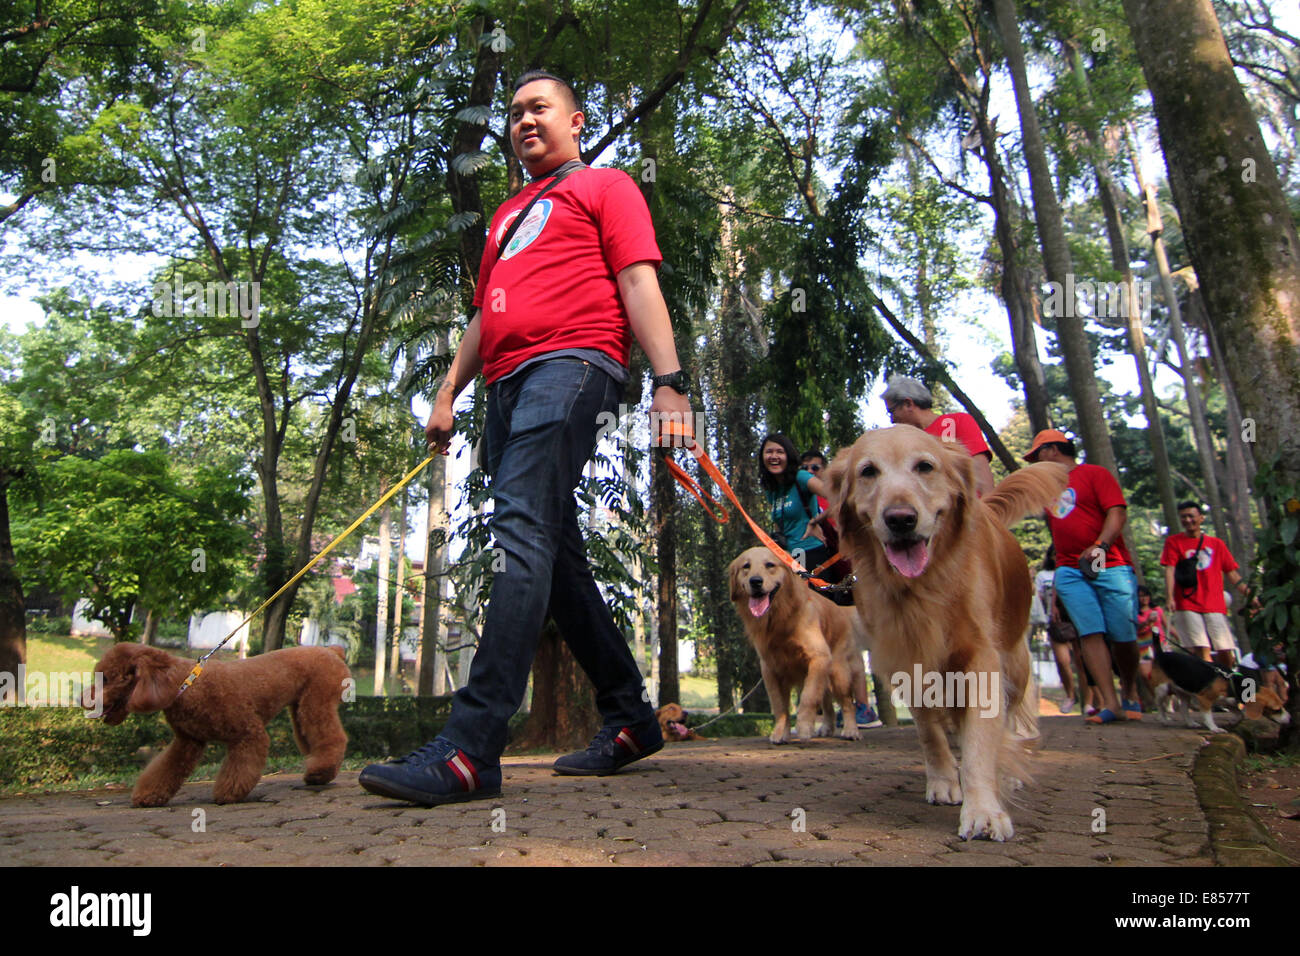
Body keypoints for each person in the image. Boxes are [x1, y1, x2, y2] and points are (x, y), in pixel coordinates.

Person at [359, 70, 691, 806]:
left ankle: (472, 747)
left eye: (539, 108)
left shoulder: (606, 187)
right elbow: (484, 313)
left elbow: (638, 282)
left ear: (576, 120)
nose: (523, 121)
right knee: (552, 549)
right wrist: (449, 391)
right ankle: (631, 716)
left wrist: (671, 380)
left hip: (574, 363)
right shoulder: (507, 215)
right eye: (514, 113)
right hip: (505, 385)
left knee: (517, 527)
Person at [1026, 429, 1142, 724]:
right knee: (1089, 633)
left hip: (1109, 562)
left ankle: (1129, 689)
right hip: (1068, 569)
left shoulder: (1094, 474)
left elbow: (1117, 513)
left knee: (1123, 634)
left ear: (1053, 450)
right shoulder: (1046, 489)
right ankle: (1110, 702)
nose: (1034, 462)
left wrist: (1100, 545)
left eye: (1036, 455)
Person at [1160, 500, 1255, 670]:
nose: (1188, 520)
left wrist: (1250, 595)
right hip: (1187, 602)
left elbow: (1232, 573)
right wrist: (1169, 597)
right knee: (1201, 648)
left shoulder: (1216, 544)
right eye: (1183, 517)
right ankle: (1211, 685)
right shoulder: (1174, 542)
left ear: (1201, 518)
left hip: (1214, 602)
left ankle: (1226, 679)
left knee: (1225, 649)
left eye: (1191, 516)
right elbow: (1170, 569)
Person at [882, 375, 995, 497]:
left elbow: (980, 468)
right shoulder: (904, 442)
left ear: (908, 404)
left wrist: (989, 510)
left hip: (970, 511)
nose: (892, 420)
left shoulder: (957, 421)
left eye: (891, 412)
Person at [760, 434, 832, 573]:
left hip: (811, 552)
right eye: (769, 452)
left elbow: (838, 498)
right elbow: (779, 523)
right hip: (788, 558)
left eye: (780, 452)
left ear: (788, 456)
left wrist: (815, 521)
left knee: (815, 594)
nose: (774, 456)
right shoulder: (771, 489)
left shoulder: (801, 477)